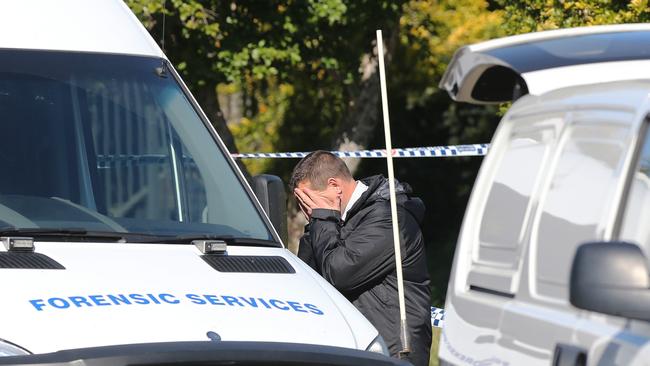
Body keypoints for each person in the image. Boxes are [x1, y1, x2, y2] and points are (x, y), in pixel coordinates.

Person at [290, 150, 431, 366]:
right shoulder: (332, 220)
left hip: (391, 350)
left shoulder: (388, 218)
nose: (308, 207)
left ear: (335, 186)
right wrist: (316, 224)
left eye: (310, 198)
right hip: (357, 344)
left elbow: (338, 274)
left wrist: (323, 219)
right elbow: (310, 282)